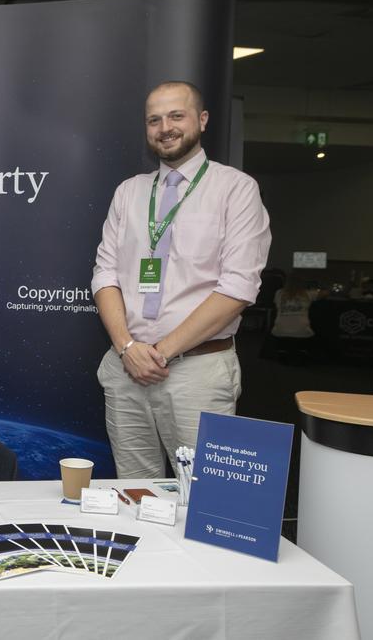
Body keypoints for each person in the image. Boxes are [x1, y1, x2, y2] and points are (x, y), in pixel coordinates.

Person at [91, 81, 271, 478]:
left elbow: (238, 288)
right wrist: (128, 348)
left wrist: (159, 353)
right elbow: (105, 274)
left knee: (206, 493)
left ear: (202, 120)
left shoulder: (236, 190)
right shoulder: (129, 193)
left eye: (176, 116)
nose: (165, 128)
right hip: (127, 369)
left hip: (197, 373)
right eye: (154, 120)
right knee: (135, 490)